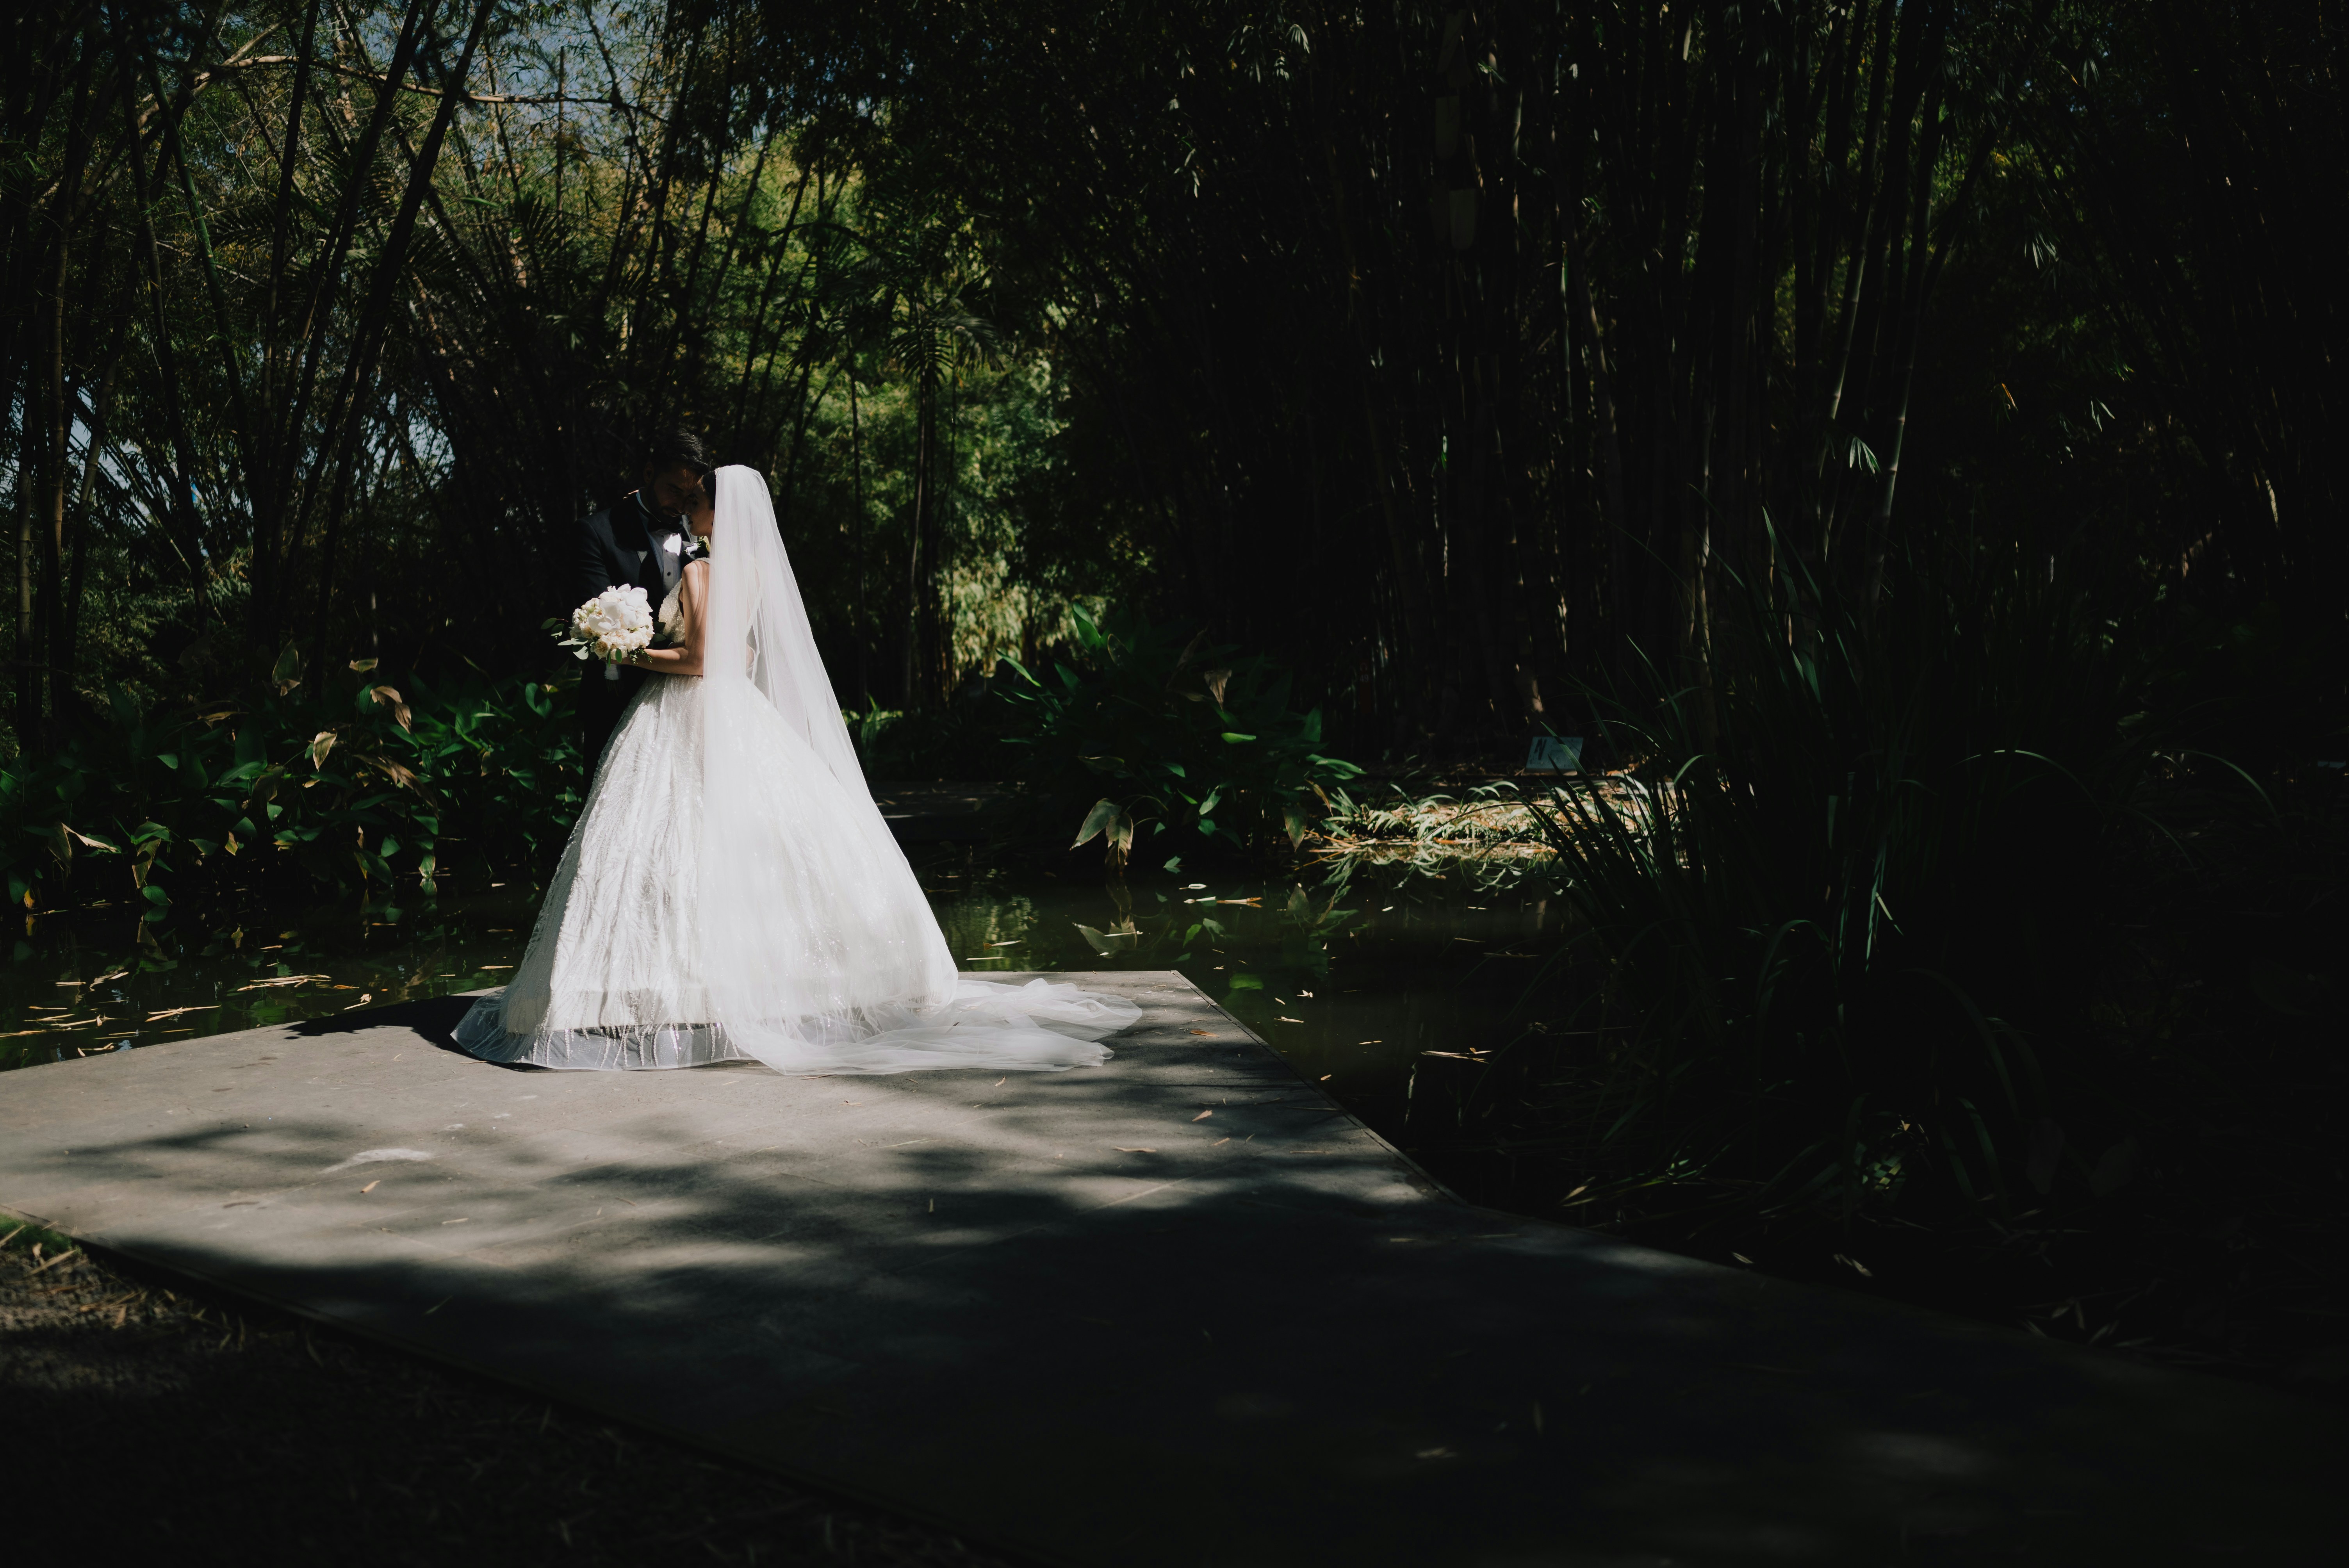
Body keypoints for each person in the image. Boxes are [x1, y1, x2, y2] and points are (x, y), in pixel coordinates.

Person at [454, 460, 1138, 1073]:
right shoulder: (751, 572)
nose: (687, 504)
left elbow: (701, 660)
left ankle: (664, 986)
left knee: (669, 844)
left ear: (717, 511)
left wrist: (622, 651)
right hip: (736, 712)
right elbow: (743, 658)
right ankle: (731, 982)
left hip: (684, 710)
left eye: (697, 498)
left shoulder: (698, 571)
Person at [574, 429, 716, 785]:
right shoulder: (598, 532)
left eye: (691, 496)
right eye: (674, 490)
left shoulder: (705, 537)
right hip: (617, 698)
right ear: (650, 473)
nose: (683, 505)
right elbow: (595, 619)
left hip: (692, 708)